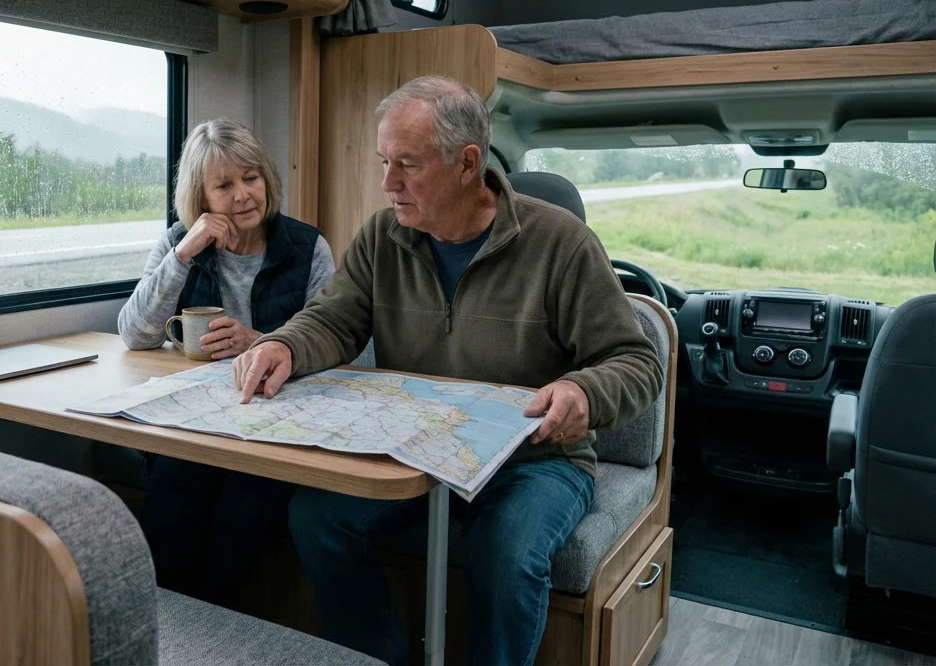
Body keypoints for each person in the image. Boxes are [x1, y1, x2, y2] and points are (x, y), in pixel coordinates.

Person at [231, 77, 662, 666]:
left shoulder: (561, 243)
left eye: (406, 165)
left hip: (533, 461)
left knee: (505, 553)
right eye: (385, 162)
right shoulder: (383, 235)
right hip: (415, 448)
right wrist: (285, 345)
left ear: (467, 164)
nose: (388, 183)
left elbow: (636, 362)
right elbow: (333, 320)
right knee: (316, 515)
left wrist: (582, 390)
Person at [118, 118, 335, 605]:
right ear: (201, 197)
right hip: (196, 424)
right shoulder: (180, 241)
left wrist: (262, 342)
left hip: (276, 430)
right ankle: (164, 628)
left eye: (251, 178)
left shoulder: (307, 247)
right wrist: (183, 253)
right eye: (224, 185)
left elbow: (345, 350)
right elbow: (134, 334)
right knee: (174, 493)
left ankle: (211, 630)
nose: (243, 195)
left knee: (245, 508)